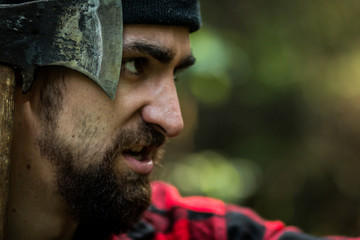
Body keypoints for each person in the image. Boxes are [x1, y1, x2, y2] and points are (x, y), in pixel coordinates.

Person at [2, 0, 360, 240]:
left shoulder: (184, 231)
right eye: (134, 64)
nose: (173, 121)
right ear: (21, 75)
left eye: (174, 75)